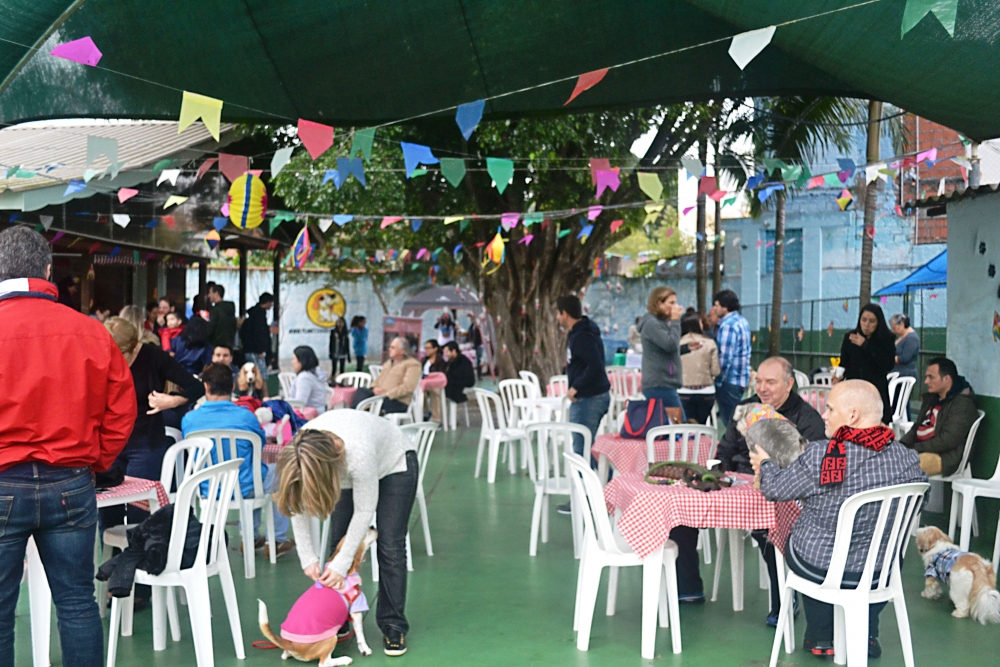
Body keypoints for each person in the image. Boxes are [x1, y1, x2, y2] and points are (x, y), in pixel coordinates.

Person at [0, 226, 136, 667]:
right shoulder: (91, 332)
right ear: (46, 269)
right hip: (72, 483)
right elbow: (121, 411)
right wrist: (94, 461)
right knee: (77, 602)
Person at [750, 380, 926, 658]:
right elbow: (919, 500)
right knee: (865, 547)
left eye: (830, 408)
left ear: (853, 415)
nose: (824, 415)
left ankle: (821, 636)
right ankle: (866, 633)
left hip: (821, 567)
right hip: (881, 570)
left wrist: (766, 464)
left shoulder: (826, 455)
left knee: (796, 534)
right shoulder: (907, 459)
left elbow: (774, 490)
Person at [276, 410, 418, 656]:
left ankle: (393, 624)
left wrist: (342, 564)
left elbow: (364, 510)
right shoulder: (302, 451)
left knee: (390, 543)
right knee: (338, 539)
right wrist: (307, 556)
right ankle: (338, 616)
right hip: (342, 467)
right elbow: (295, 501)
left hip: (394, 463)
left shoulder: (358, 454)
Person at [715, 357, 826, 620]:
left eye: (770, 382)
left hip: (783, 493)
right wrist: (717, 476)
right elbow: (726, 448)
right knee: (685, 510)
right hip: (739, 485)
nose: (762, 388)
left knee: (768, 531)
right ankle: (688, 589)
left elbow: (810, 470)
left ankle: (783, 601)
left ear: (789, 384)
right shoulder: (746, 407)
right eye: (759, 381)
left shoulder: (807, 418)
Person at [102, 317, 205, 529]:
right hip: (110, 443)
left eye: (121, 356)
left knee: (137, 513)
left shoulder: (152, 357)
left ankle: (139, 559)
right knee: (106, 513)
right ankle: (113, 561)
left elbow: (196, 387)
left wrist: (172, 400)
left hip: (144, 443)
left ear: (132, 348)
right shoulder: (103, 357)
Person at [182, 363, 293, 557]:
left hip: (208, 489)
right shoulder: (246, 417)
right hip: (244, 487)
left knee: (255, 473)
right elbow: (259, 444)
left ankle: (250, 536)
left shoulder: (189, 419)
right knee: (274, 472)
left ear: (206, 387)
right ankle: (275, 539)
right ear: (233, 386)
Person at [900, 357, 979, 476]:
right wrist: (900, 446)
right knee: (889, 460)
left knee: (903, 466)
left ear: (946, 379)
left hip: (945, 456)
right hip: (923, 449)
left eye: (931, 377)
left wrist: (914, 448)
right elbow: (917, 427)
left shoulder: (963, 404)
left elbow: (948, 440)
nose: (926, 381)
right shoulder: (932, 398)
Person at [556, 294, 611, 462]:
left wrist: (575, 387)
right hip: (594, 396)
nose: (557, 318)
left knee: (581, 449)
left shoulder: (582, 336)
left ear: (565, 313)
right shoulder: (582, 333)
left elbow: (594, 366)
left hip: (589, 398)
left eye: (558, 314)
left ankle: (593, 486)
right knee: (587, 447)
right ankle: (604, 482)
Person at [839, 303, 896, 424]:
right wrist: (839, 375)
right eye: (864, 320)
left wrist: (866, 345)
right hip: (854, 389)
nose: (867, 325)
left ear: (878, 322)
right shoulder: (851, 337)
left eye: (872, 321)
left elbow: (887, 364)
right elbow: (844, 362)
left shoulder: (887, 339)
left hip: (876, 390)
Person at [637, 287, 686, 416]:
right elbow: (670, 344)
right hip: (659, 383)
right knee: (680, 427)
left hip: (664, 383)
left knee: (669, 427)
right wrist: (676, 321)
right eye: (671, 303)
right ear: (659, 303)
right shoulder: (652, 324)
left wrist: (686, 348)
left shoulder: (660, 323)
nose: (675, 307)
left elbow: (664, 348)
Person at [351, 337, 421, 414]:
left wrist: (387, 393)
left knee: (374, 406)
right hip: (379, 396)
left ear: (402, 351)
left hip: (396, 400)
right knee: (362, 391)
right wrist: (374, 388)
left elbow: (408, 387)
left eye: (393, 347)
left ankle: (363, 414)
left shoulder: (412, 364)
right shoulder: (389, 363)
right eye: (390, 347)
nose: (389, 349)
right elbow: (378, 380)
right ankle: (356, 414)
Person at [713, 289, 751, 426]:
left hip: (729, 381)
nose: (714, 308)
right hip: (740, 378)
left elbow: (724, 358)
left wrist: (718, 380)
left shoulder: (728, 325)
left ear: (725, 307)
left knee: (730, 424)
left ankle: (736, 448)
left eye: (717, 305)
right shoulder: (742, 321)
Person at [678, 311, 719, 424]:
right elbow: (715, 371)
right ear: (698, 324)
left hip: (683, 391)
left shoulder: (676, 344)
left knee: (685, 427)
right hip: (706, 392)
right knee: (700, 426)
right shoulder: (710, 343)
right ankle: (700, 441)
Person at [241, 292, 274, 379]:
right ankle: (264, 393)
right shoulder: (259, 316)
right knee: (261, 375)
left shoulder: (254, 315)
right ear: (267, 302)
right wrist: (260, 350)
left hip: (251, 349)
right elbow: (258, 334)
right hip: (255, 351)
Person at [288, 346, 329, 412]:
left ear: (301, 361)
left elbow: (299, 403)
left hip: (312, 416)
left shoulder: (305, 378)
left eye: (294, 359)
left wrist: (280, 402)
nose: (292, 362)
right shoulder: (312, 374)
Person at [442, 341, 476, 406]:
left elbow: (469, 380)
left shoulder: (464, 362)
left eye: (447, 352)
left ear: (454, 351)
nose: (446, 354)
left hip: (460, 387)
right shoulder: (450, 362)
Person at [421, 339, 447, 422]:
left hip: (434, 384)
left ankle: (436, 419)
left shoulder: (440, 362)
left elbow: (441, 376)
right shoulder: (424, 361)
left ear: (435, 349)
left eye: (428, 348)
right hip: (424, 383)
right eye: (425, 348)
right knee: (420, 393)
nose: (426, 350)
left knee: (435, 393)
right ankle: (425, 412)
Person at [207, 283, 237, 348]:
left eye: (210, 293)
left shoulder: (215, 310)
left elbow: (210, 329)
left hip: (216, 345)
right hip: (229, 344)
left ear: (217, 294)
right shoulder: (230, 309)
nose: (208, 295)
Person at [890, 314, 920, 379]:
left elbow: (905, 358)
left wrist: (888, 358)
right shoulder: (902, 336)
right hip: (896, 372)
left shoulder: (912, 338)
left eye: (894, 328)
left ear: (902, 324)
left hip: (904, 374)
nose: (893, 331)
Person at [466, 312, 484, 379]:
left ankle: (479, 374)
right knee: (471, 359)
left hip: (479, 344)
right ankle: (472, 374)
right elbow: (469, 335)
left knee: (479, 359)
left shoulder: (478, 326)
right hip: (473, 345)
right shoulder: (471, 327)